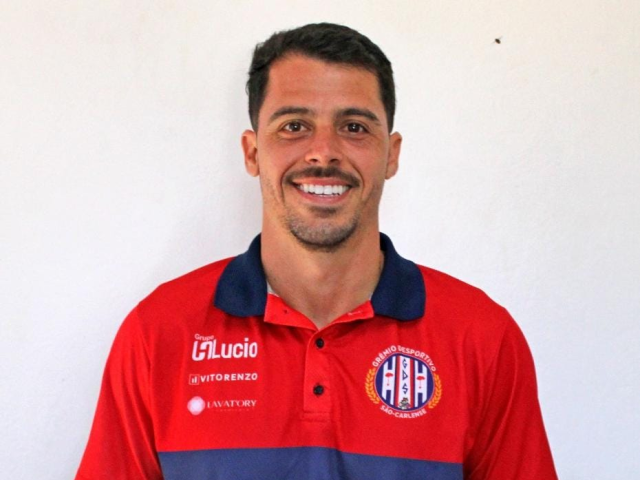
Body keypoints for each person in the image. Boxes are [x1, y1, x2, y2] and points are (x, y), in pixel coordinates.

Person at [76, 23, 558, 480]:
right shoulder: (159, 334)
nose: (323, 152)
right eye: (294, 126)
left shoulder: (481, 338)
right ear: (252, 152)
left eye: (354, 127)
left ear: (391, 155)